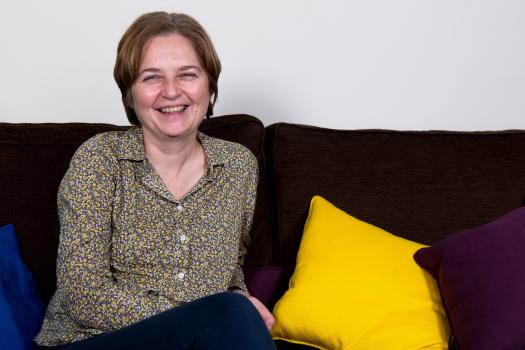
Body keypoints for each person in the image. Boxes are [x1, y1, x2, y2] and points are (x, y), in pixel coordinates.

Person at [35, 11, 276, 350]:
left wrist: (239, 299)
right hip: (92, 340)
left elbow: (230, 270)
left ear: (210, 85)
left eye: (188, 75)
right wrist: (211, 313)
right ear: (130, 95)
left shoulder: (238, 166)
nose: (171, 92)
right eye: (151, 78)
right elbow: (83, 293)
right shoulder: (100, 159)